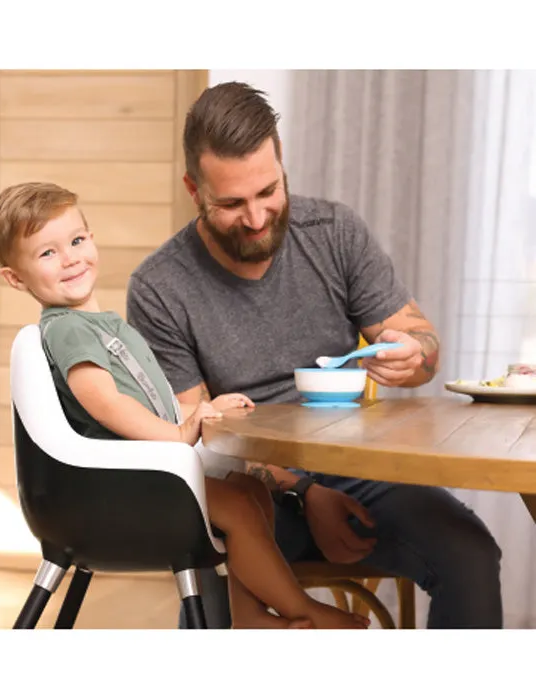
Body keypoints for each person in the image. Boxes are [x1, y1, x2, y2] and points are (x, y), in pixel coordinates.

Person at [126, 81, 503, 629]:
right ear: (194, 189)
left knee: (469, 553)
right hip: (251, 492)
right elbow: (198, 436)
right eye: (231, 203)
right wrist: (307, 491)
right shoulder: (160, 287)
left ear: (282, 164)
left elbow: (423, 347)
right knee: (207, 568)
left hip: (363, 470)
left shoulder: (335, 233)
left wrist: (412, 354)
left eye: (268, 191)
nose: (256, 218)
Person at [0, 181, 369, 629]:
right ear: (15, 277)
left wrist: (193, 414)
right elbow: (106, 405)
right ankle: (303, 610)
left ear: (91, 239)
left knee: (251, 492)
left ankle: (248, 615)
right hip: (123, 491)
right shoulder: (68, 330)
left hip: (141, 478)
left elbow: (146, 403)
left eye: (76, 240)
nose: (70, 258)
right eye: (47, 253)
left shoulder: (97, 325)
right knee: (240, 507)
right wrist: (181, 435)